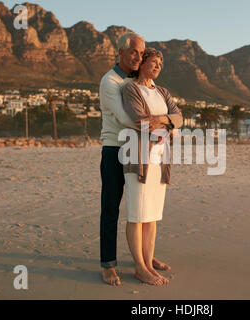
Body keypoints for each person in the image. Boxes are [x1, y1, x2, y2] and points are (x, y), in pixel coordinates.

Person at [99, 33, 171, 286]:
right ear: (120, 52)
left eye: (141, 53)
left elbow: (151, 112)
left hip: (139, 150)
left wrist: (162, 122)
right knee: (111, 207)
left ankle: (144, 259)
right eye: (133, 52)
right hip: (114, 148)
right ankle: (108, 264)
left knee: (142, 207)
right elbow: (127, 119)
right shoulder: (110, 81)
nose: (138, 57)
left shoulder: (137, 81)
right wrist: (163, 124)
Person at [121, 48, 183, 285]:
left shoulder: (163, 92)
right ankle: (140, 267)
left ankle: (148, 261)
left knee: (152, 216)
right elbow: (140, 121)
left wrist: (164, 121)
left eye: (160, 63)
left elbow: (178, 116)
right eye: (153, 62)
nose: (157, 66)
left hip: (160, 162)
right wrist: (167, 128)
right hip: (138, 160)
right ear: (142, 63)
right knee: (137, 214)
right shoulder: (131, 89)